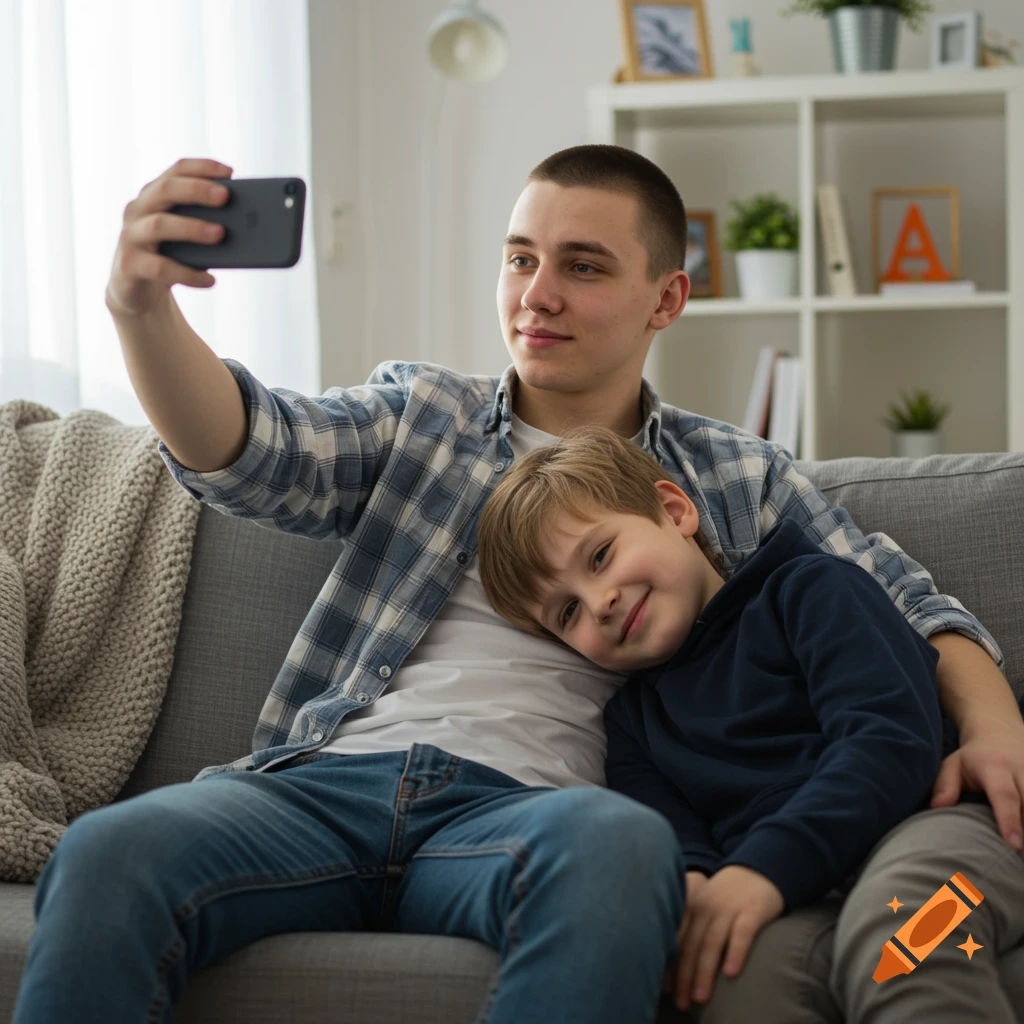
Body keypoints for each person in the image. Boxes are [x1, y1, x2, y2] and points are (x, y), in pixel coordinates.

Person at [10, 145, 1022, 1024]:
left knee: (622, 850)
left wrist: (991, 730)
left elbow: (906, 603)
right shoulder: (422, 415)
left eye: (581, 267)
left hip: (526, 815)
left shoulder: (734, 476)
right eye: (520, 260)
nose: (537, 294)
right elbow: (250, 450)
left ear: (665, 298)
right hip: (320, 788)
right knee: (107, 853)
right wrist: (138, 309)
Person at [475, 424, 1024, 1021]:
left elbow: (890, 740)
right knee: (738, 988)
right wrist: (695, 884)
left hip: (934, 832)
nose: (600, 600)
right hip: (792, 891)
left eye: (601, 556)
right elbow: (676, 838)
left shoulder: (813, 588)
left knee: (904, 947)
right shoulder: (631, 724)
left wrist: (763, 867)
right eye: (568, 612)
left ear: (674, 510)